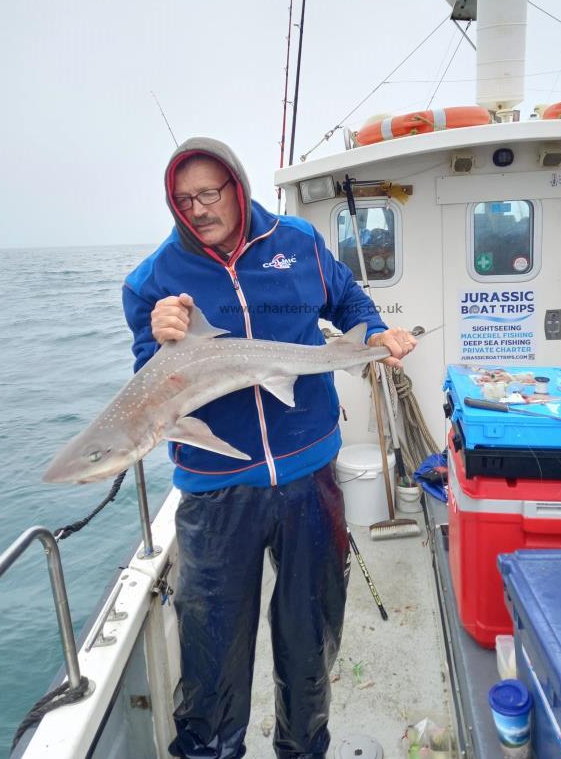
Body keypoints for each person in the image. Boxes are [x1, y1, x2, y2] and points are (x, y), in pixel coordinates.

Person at [122, 136, 417, 759]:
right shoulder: (153, 280)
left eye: (209, 192)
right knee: (212, 655)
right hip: (216, 489)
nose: (198, 208)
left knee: (309, 638)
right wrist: (160, 338)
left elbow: (347, 299)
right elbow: (150, 383)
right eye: (183, 199)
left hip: (311, 473)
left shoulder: (299, 241)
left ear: (238, 185)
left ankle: (303, 748)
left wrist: (378, 329)